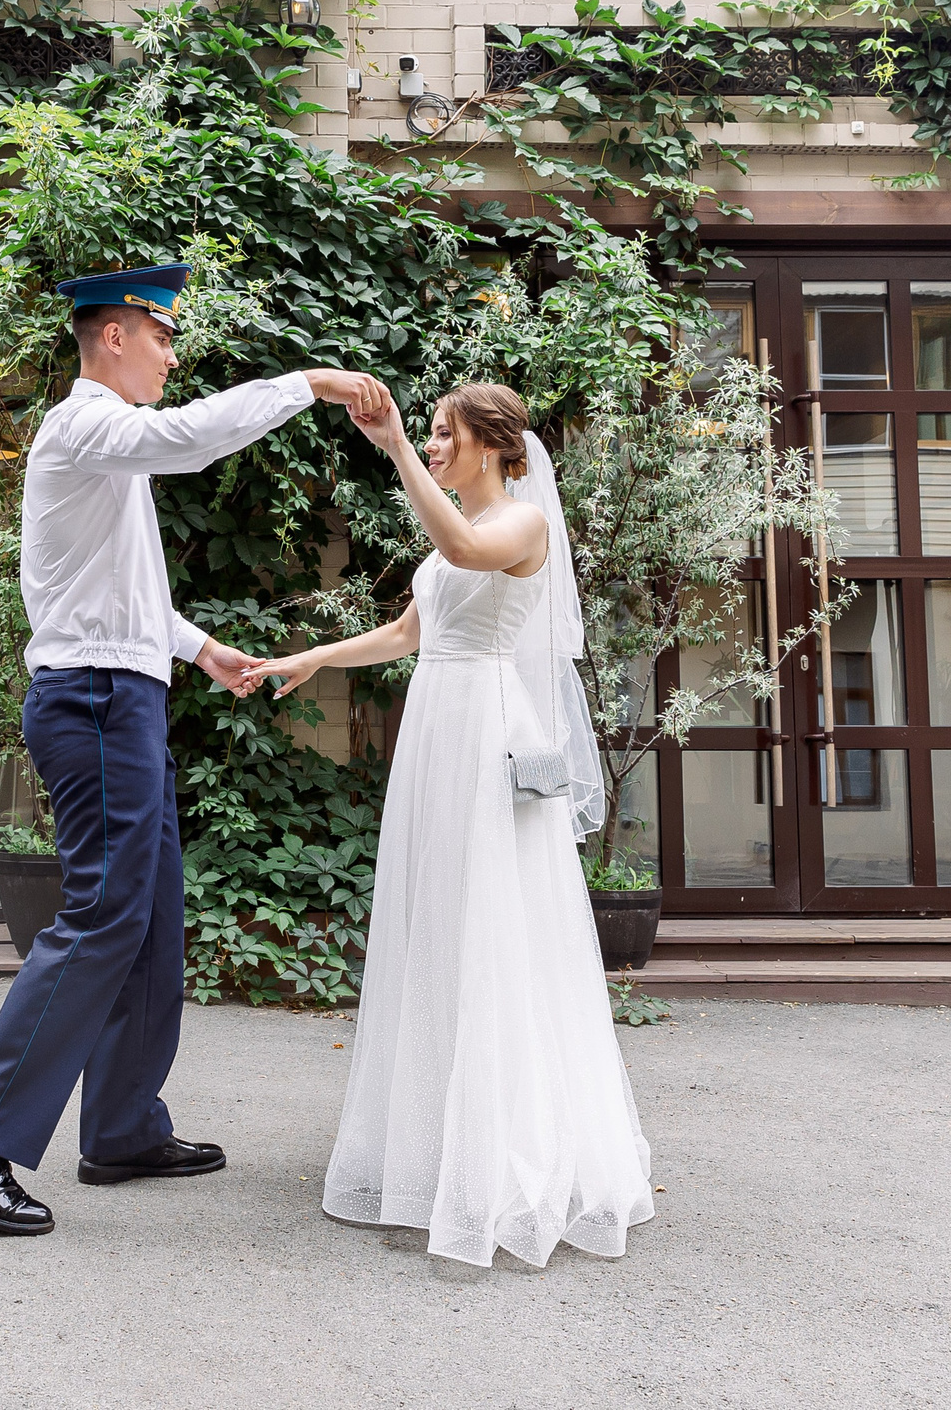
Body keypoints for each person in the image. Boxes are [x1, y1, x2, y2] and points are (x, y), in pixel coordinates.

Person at [0, 261, 395, 1237]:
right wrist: (310, 383)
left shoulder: (105, 446)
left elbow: (116, 590)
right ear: (115, 335)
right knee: (103, 914)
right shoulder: (86, 424)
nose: (173, 355)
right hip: (92, 701)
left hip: (121, 697)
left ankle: (123, 1127)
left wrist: (201, 649)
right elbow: (189, 441)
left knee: (152, 916)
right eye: (163, 337)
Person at [251, 382, 655, 1268]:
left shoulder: (520, 524)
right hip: (437, 731)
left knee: (493, 927)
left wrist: (394, 446)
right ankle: (442, 1145)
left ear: (496, 448)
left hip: (486, 731)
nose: (433, 444)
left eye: (445, 434)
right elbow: (408, 631)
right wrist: (312, 655)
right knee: (437, 921)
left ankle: (509, 1152)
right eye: (428, 433)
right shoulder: (457, 531)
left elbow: (464, 548)